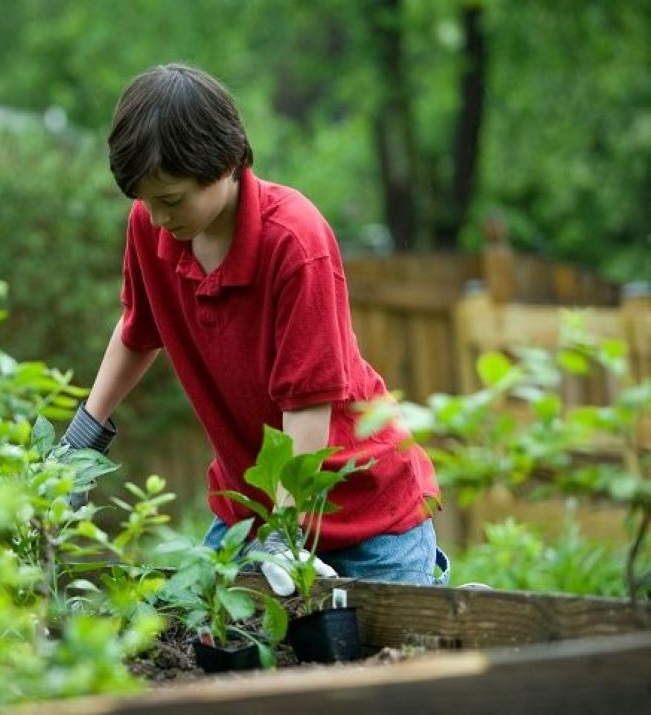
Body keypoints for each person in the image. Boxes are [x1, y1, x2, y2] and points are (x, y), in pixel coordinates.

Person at [61, 63, 449, 595]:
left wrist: (285, 537)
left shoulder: (293, 240)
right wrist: (78, 444)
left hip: (366, 518)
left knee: (389, 666)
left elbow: (307, 404)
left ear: (224, 163)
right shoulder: (152, 228)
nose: (155, 217)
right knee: (206, 647)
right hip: (252, 512)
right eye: (143, 200)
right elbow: (138, 329)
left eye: (170, 199)